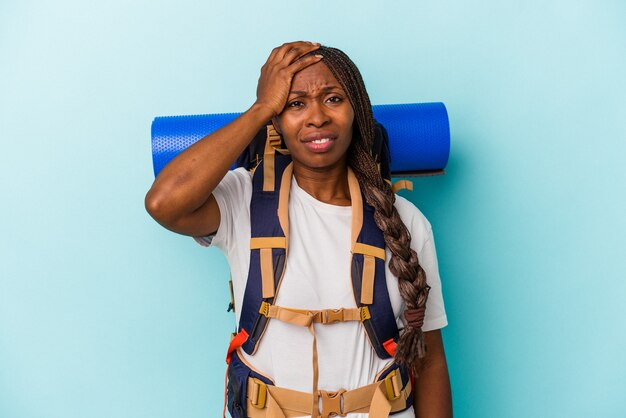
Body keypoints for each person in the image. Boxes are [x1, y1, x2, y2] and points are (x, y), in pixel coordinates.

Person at [145, 41, 452, 418]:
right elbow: (164, 203)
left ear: (357, 111)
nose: (317, 117)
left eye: (334, 99)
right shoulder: (244, 201)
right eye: (295, 104)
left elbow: (431, 360)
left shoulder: (405, 220)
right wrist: (260, 108)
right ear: (276, 121)